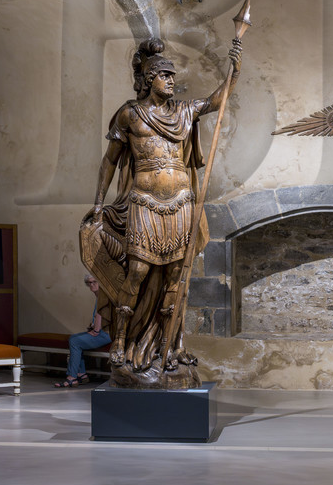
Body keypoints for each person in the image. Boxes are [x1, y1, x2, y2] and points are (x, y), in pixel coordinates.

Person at [81, 36, 241, 387]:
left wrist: (234, 67)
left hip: (181, 204)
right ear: (149, 79)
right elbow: (109, 162)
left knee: (175, 279)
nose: (171, 81)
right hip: (143, 203)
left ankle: (168, 348)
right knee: (136, 272)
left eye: (172, 76)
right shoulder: (130, 114)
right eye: (164, 75)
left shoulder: (184, 112)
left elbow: (217, 100)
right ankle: (121, 344)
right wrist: (97, 202)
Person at [56, 275, 112, 387]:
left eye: (94, 282)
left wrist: (96, 331)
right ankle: (82, 375)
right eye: (89, 283)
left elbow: (100, 313)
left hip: (106, 334)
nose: (92, 285)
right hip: (102, 331)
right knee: (73, 338)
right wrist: (93, 326)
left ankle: (72, 377)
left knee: (75, 342)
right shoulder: (99, 295)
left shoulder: (103, 295)